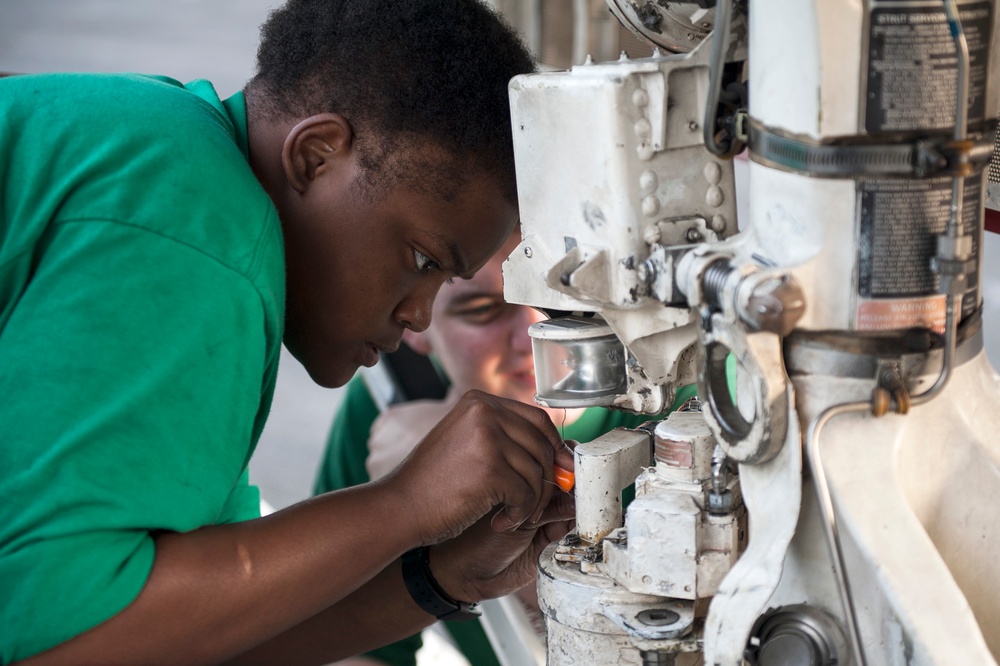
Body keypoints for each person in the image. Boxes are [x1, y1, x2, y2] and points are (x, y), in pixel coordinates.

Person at [0, 2, 578, 664]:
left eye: (444, 285)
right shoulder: (193, 213)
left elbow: (187, 637)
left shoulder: (156, 152)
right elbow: (55, 641)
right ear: (314, 155)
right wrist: (403, 504)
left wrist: (440, 577)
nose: (418, 314)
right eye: (422, 263)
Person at [316, 230, 698, 666]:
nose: (533, 343)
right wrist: (401, 501)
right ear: (415, 326)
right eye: (482, 312)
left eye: (562, 307)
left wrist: (485, 521)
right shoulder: (394, 404)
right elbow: (346, 648)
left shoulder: (695, 400)